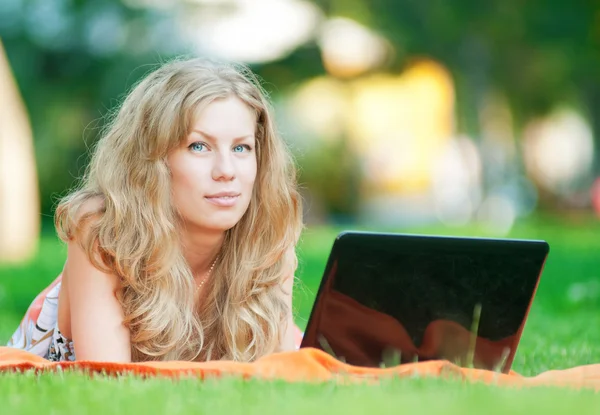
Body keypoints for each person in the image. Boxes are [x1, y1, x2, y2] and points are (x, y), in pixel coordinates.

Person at [7, 57, 304, 363]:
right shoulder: (103, 229)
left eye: (241, 148)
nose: (226, 171)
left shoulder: (266, 237)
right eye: (199, 146)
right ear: (154, 160)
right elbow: (106, 377)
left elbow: (281, 380)